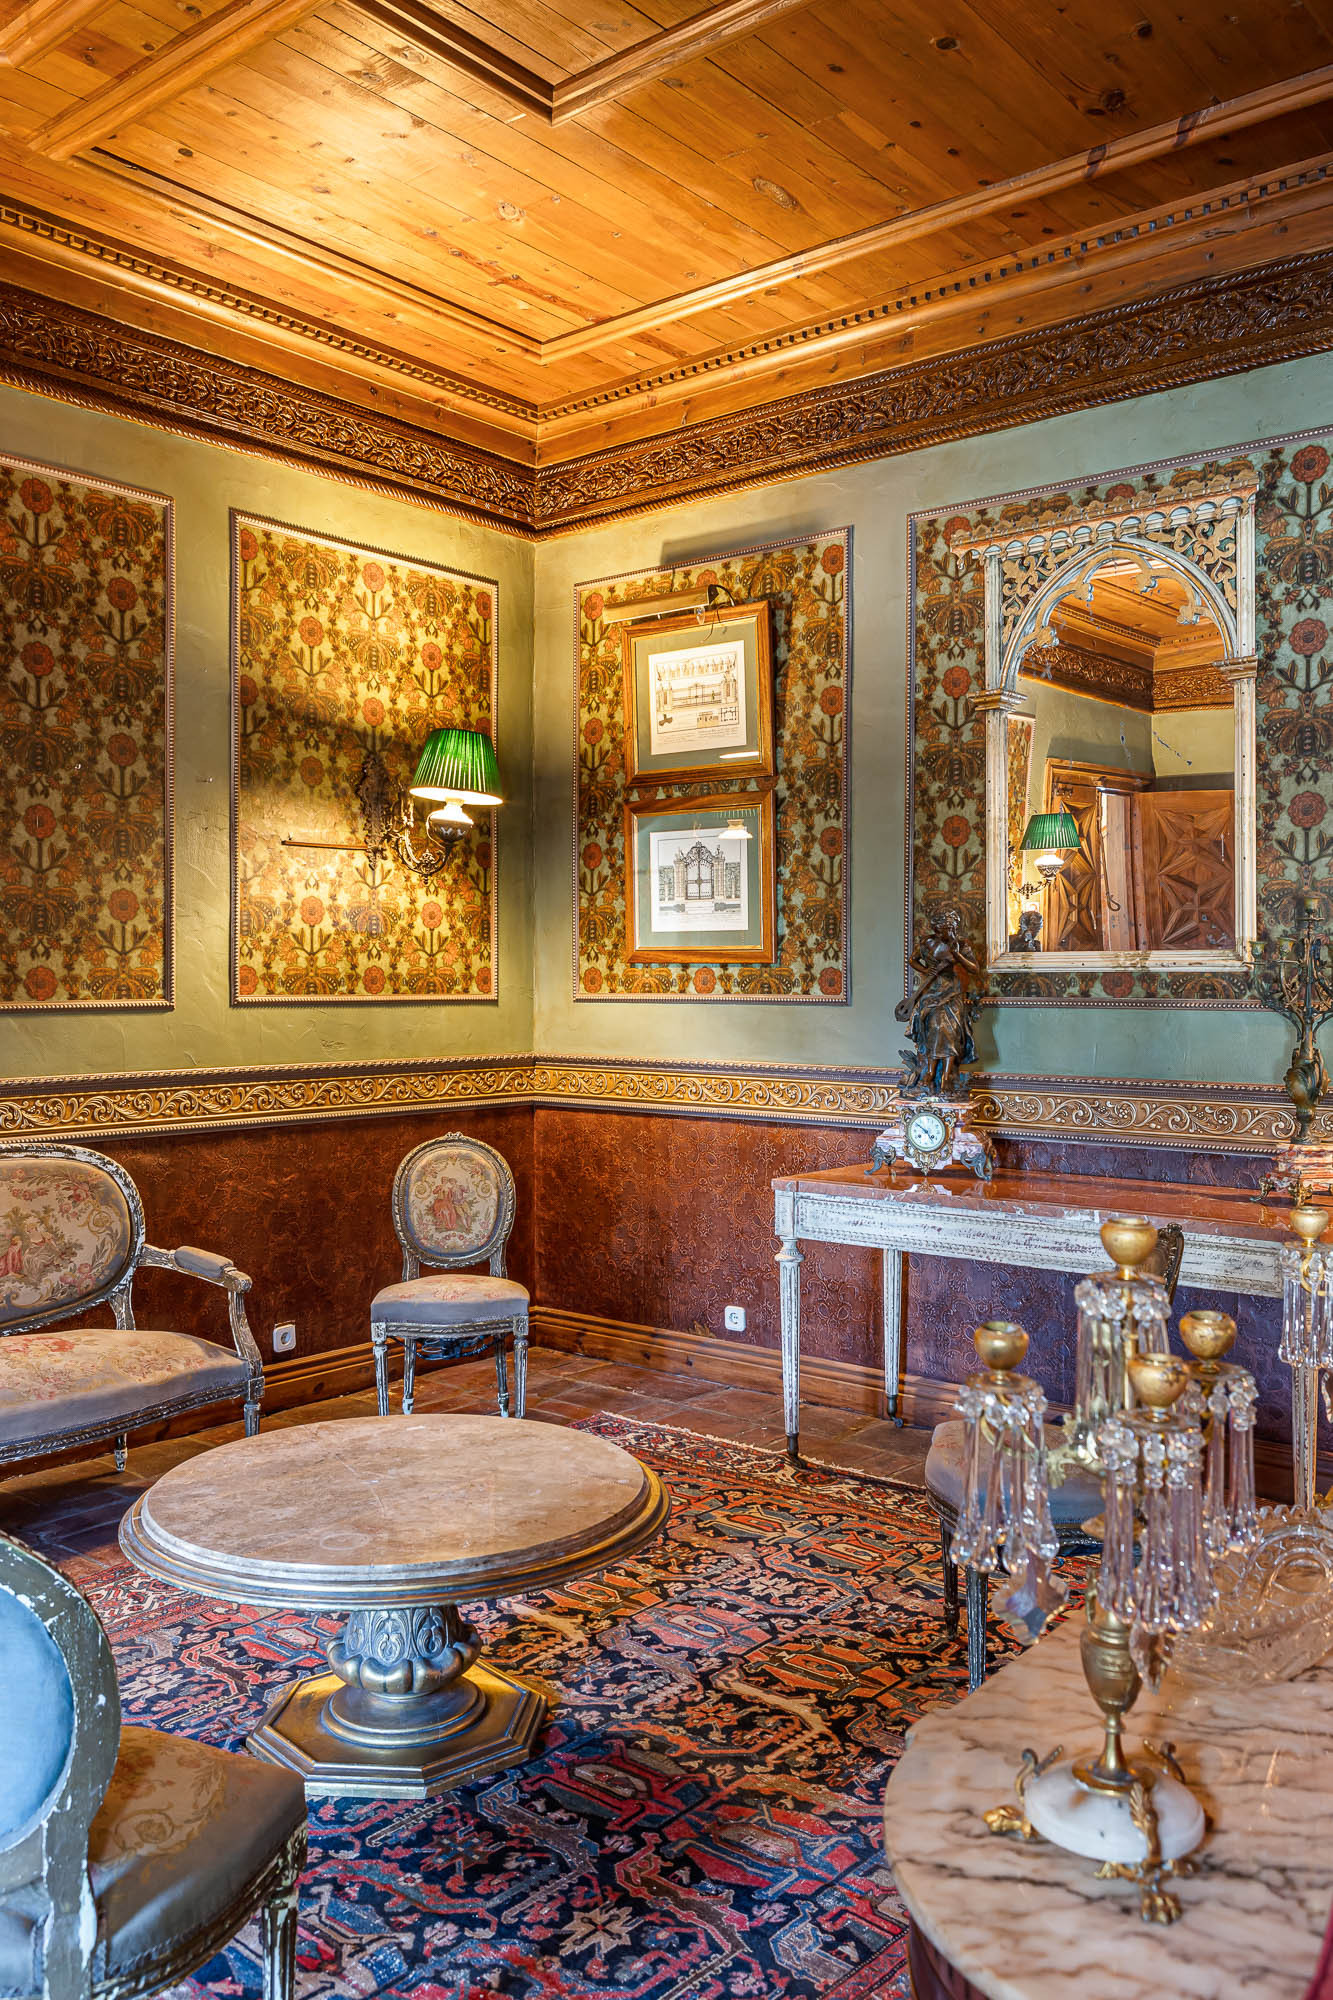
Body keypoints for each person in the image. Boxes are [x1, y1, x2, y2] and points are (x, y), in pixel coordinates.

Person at [895, 905, 980, 1099]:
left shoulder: (961, 944)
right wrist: (926, 971)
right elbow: (912, 960)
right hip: (932, 991)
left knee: (952, 1031)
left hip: (952, 992)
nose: (949, 931)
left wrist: (958, 955)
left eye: (952, 927)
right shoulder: (927, 942)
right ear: (936, 928)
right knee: (934, 1029)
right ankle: (930, 1073)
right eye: (945, 928)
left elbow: (974, 969)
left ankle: (947, 1076)